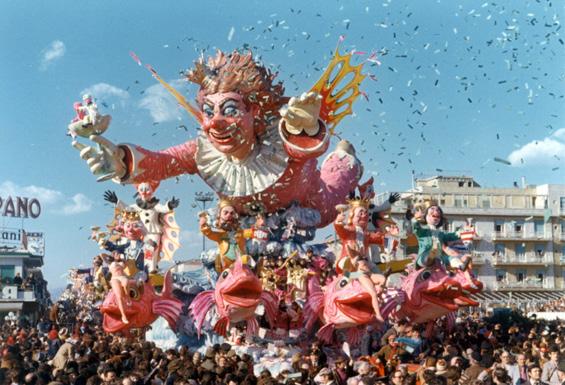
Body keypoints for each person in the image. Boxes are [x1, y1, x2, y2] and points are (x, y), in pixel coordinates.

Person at [72, 49, 364, 228]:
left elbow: (302, 148)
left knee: (336, 181)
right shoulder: (203, 150)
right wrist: (121, 163)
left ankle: (344, 157)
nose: (214, 122)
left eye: (230, 110)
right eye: (208, 111)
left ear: (255, 111)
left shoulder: (279, 137)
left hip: (311, 205)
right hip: (248, 230)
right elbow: (163, 163)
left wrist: (306, 127)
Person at [104, 182, 180, 273]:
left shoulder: (155, 206)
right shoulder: (137, 206)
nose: (144, 192)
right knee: (145, 250)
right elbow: (127, 208)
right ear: (138, 192)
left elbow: (164, 208)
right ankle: (146, 266)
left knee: (152, 248)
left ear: (152, 191)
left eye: (147, 190)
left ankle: (152, 267)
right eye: (141, 190)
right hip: (142, 232)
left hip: (154, 231)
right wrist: (117, 201)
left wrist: (170, 205)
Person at [200, 199, 247, 273]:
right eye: (226, 213)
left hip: (241, 264)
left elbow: (250, 233)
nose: (229, 215)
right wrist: (203, 225)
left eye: (232, 213)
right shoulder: (220, 235)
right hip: (225, 266)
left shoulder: (240, 233)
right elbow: (208, 233)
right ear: (219, 216)